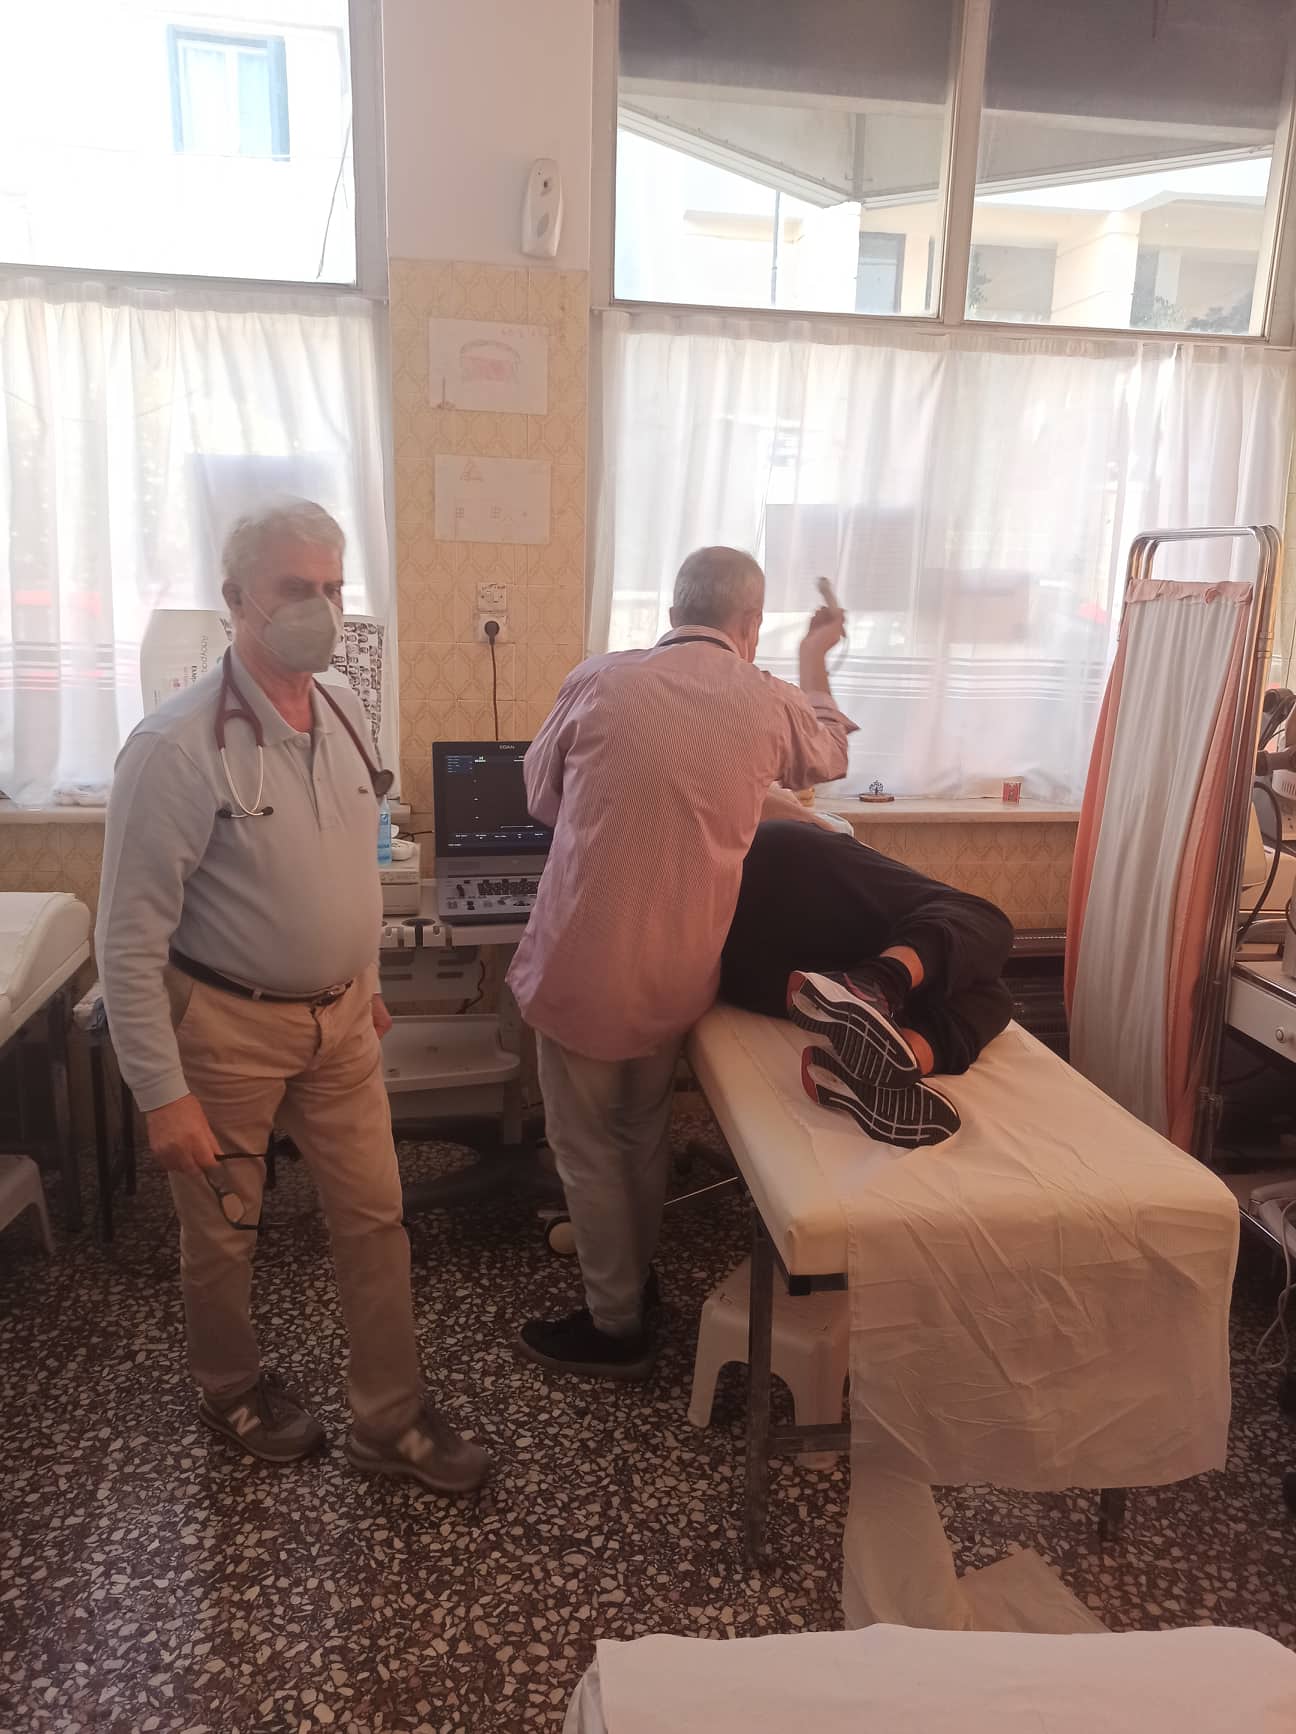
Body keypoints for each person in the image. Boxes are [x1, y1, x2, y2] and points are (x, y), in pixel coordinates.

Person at [97, 498, 488, 1495]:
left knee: (376, 1218)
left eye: (332, 586)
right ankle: (228, 1388)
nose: (321, 607)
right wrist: (162, 1095)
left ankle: (389, 1420)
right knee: (226, 1231)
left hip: (344, 1022)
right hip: (224, 1030)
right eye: (295, 588)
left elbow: (347, 859)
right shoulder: (174, 748)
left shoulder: (346, 709)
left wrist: (366, 981)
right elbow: (126, 942)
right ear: (236, 599)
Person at [509, 546, 853, 1381]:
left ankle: (616, 1326)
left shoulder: (599, 679)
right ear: (750, 625)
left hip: (581, 966)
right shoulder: (767, 700)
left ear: (672, 612)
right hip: (677, 971)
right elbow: (831, 758)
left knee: (587, 1149)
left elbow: (541, 799)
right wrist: (814, 658)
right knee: (641, 1132)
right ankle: (631, 1282)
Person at [721, 815, 1015, 1147]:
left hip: (746, 974)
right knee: (988, 920)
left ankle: (890, 1065)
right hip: (775, 867)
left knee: (995, 997)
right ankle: (874, 985)